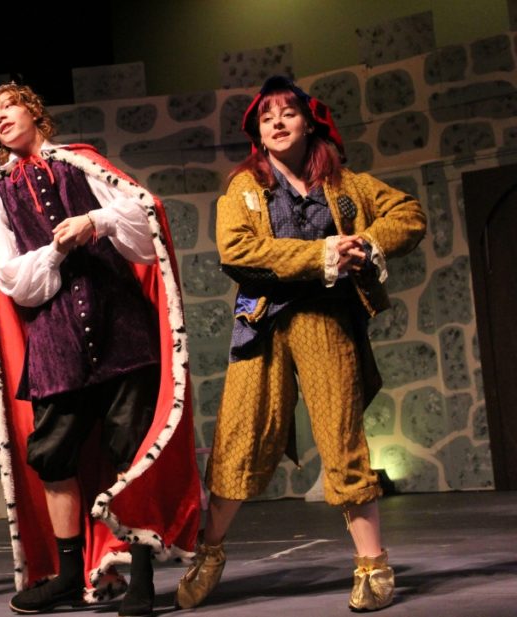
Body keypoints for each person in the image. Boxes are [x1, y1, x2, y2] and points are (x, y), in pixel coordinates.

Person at [174, 76, 426, 612]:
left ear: (309, 123)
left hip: (325, 318)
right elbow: (238, 250)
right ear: (258, 134)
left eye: (287, 113)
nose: (278, 123)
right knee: (240, 437)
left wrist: (367, 243)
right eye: (267, 118)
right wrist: (324, 254)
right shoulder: (243, 188)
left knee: (342, 438)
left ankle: (373, 563)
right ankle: (210, 551)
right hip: (261, 322)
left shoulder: (345, 183)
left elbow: (409, 214)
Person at [0, 84, 201, 617]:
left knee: (131, 449)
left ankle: (141, 576)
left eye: (10, 106)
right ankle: (70, 574)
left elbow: (145, 224)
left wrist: (96, 222)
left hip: (120, 325)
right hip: (56, 340)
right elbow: (13, 278)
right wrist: (55, 249)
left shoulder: (82, 164)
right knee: (52, 455)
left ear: (35, 112)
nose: (2, 117)